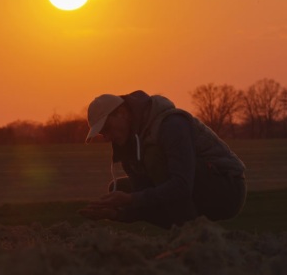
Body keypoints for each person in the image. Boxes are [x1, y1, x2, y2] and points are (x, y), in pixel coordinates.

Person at [78, 90, 246, 228]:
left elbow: (182, 185)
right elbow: (144, 200)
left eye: (107, 128)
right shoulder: (128, 147)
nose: (107, 137)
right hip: (190, 189)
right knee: (118, 188)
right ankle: (185, 230)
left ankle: (192, 235)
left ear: (122, 113)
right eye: (102, 134)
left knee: (154, 160)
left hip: (227, 189)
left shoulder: (170, 124)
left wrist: (131, 199)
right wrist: (116, 213)